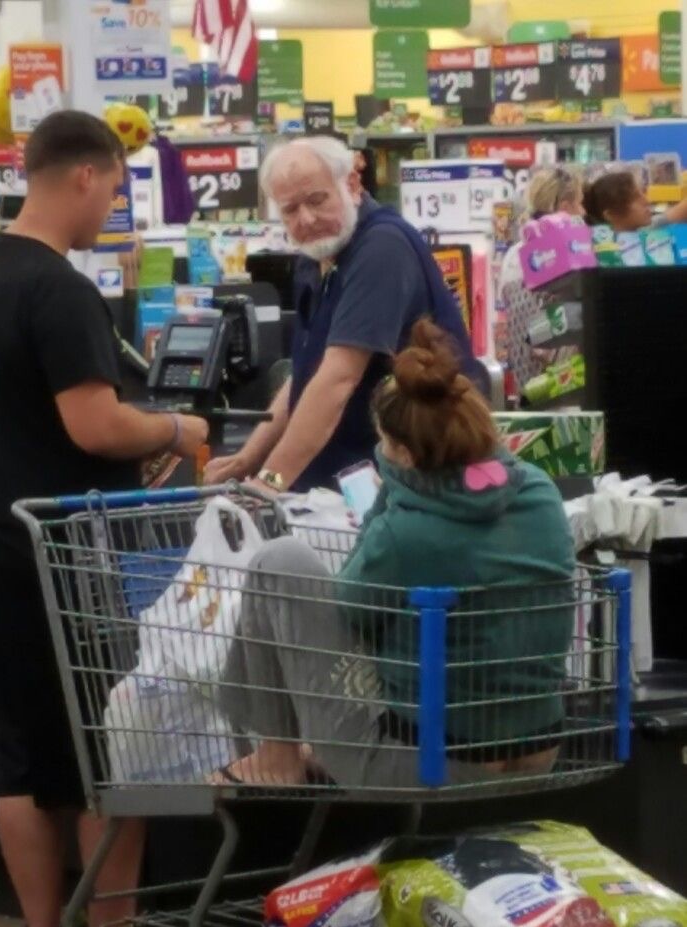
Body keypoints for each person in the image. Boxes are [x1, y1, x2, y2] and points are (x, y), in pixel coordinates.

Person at [0, 111, 208, 927]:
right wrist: (179, 425)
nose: (119, 204)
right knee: (114, 750)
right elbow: (94, 424)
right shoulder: (57, 289)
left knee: (21, 757)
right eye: (122, 185)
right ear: (86, 176)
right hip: (65, 554)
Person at [214, 319, 575, 788]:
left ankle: (276, 755)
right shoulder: (541, 492)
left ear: (403, 453)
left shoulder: (404, 533)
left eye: (383, 444)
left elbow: (349, 621)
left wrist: (390, 495)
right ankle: (290, 754)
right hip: (539, 752)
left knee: (279, 562)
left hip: (434, 765)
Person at [204, 135, 477, 495]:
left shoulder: (382, 248)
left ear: (351, 184)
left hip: (406, 484)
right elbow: (308, 375)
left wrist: (269, 482)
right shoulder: (316, 258)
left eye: (317, 200)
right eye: (290, 209)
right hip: (339, 491)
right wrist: (249, 459)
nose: (307, 219)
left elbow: (337, 379)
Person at [498, 166, 585, 389]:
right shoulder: (563, 254)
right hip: (560, 388)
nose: (583, 212)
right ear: (565, 207)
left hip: (525, 385)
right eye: (580, 203)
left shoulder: (513, 254)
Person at [583, 168, 687, 232]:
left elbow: (676, 213)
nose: (647, 201)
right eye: (635, 198)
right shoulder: (606, 256)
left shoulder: (647, 229)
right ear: (610, 215)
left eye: (643, 192)